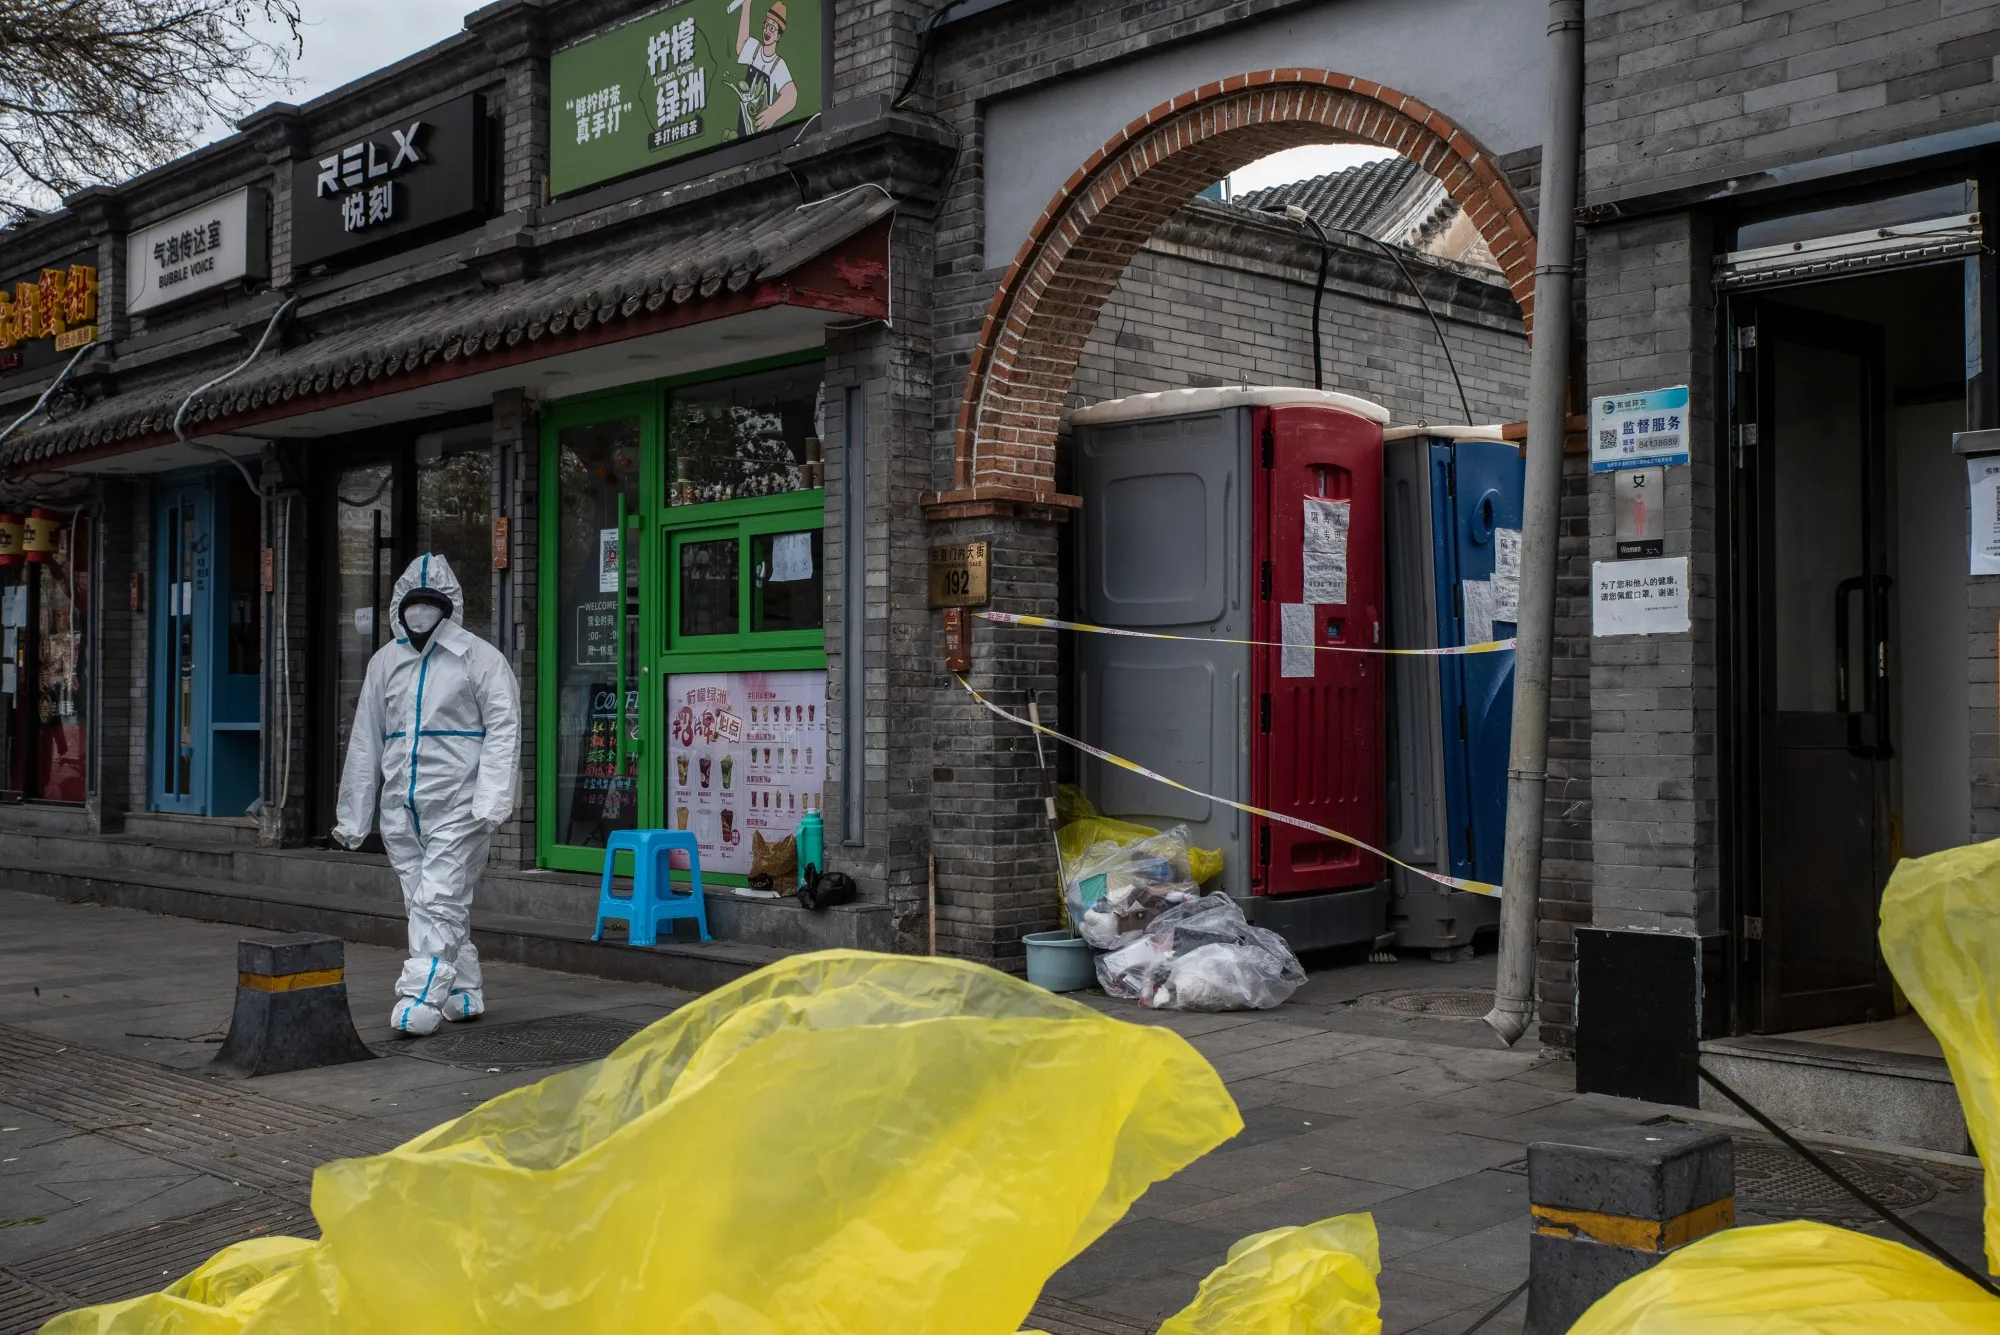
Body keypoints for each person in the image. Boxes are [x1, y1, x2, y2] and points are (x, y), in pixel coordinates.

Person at [334, 554, 520, 1037]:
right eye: (412, 603)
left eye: (429, 602)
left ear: (448, 606)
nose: (419, 612)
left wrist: (492, 799)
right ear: (399, 607)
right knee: (425, 901)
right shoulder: (384, 662)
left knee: (438, 896)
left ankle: (420, 994)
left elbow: (504, 728)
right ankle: (463, 989)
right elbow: (365, 738)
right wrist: (354, 816)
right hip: (401, 806)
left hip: (460, 801)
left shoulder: (480, 658)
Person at [734, 0, 797, 136]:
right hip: (744, 119)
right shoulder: (755, 49)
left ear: (778, 35)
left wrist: (773, 113)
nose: (768, 30)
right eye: (766, 25)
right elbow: (740, 46)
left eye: (772, 28)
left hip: (760, 127)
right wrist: (746, 6)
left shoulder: (778, 64)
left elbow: (791, 95)